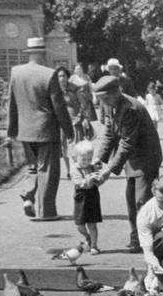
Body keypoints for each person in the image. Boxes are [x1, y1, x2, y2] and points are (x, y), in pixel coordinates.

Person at [92, 74, 163, 252]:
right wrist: (98, 159)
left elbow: (127, 143)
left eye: (106, 98)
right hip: (132, 160)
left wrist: (108, 170)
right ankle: (136, 238)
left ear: (117, 92)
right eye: (101, 99)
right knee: (131, 200)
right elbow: (109, 134)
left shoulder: (130, 109)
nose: (104, 102)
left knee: (142, 201)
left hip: (146, 158)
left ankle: (148, 241)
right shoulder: (110, 105)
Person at [7, 37, 74, 221]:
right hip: (46, 130)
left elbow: (11, 102)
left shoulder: (16, 72)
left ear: (29, 54)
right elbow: (59, 106)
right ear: (43, 54)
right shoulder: (49, 74)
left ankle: (29, 196)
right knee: (48, 171)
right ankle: (47, 212)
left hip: (25, 130)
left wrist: (12, 130)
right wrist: (69, 132)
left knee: (32, 168)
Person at [70, 140, 102, 254]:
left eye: (89, 159)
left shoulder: (92, 167)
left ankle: (94, 245)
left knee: (92, 223)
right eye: (83, 159)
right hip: (81, 197)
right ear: (76, 158)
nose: (86, 162)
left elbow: (99, 182)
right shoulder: (75, 169)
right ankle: (87, 236)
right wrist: (90, 178)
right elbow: (82, 183)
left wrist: (99, 176)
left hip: (93, 197)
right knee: (80, 224)